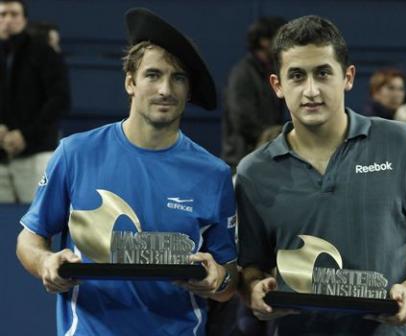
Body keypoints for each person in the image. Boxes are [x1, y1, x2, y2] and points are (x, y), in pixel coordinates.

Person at [236, 16, 406, 336]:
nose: (311, 90)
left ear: (347, 77)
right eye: (297, 76)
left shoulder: (400, 143)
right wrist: (253, 288)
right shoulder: (253, 172)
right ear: (278, 85)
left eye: (322, 73)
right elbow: (249, 265)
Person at [16, 8, 237, 336]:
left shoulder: (214, 174)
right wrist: (45, 263)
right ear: (130, 82)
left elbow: (229, 279)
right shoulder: (76, 153)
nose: (165, 89)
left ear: (189, 91)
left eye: (178, 78)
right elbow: (30, 238)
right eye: (153, 75)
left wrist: (218, 278)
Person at [0, 0, 70, 203]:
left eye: (14, 14)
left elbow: (60, 100)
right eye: (3, 14)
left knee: (40, 225)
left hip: (36, 154)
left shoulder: (44, 52)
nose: (8, 20)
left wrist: (25, 135)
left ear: (24, 19)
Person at [222, 16, 286, 168]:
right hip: (240, 162)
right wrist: (273, 138)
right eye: (280, 40)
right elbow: (242, 120)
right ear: (264, 41)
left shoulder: (272, 72)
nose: (284, 46)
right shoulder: (242, 73)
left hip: (263, 159)